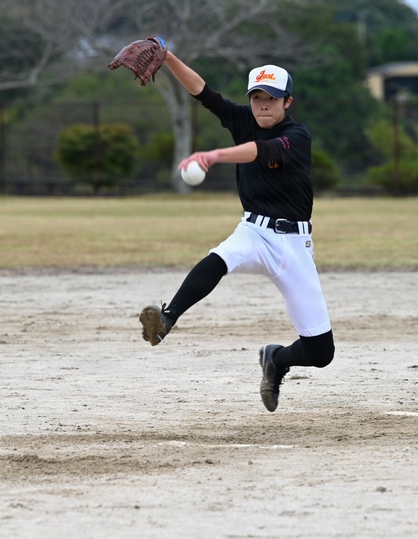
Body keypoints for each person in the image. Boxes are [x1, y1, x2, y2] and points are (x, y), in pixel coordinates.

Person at [138, 48, 334, 413]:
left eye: (272, 98)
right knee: (221, 257)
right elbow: (203, 92)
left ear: (287, 102)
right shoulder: (243, 119)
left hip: (294, 245)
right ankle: (167, 317)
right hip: (255, 231)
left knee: (321, 352)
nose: (263, 105)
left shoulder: (296, 136)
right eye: (257, 97)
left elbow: (262, 151)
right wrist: (167, 57)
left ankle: (276, 359)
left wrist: (213, 156)